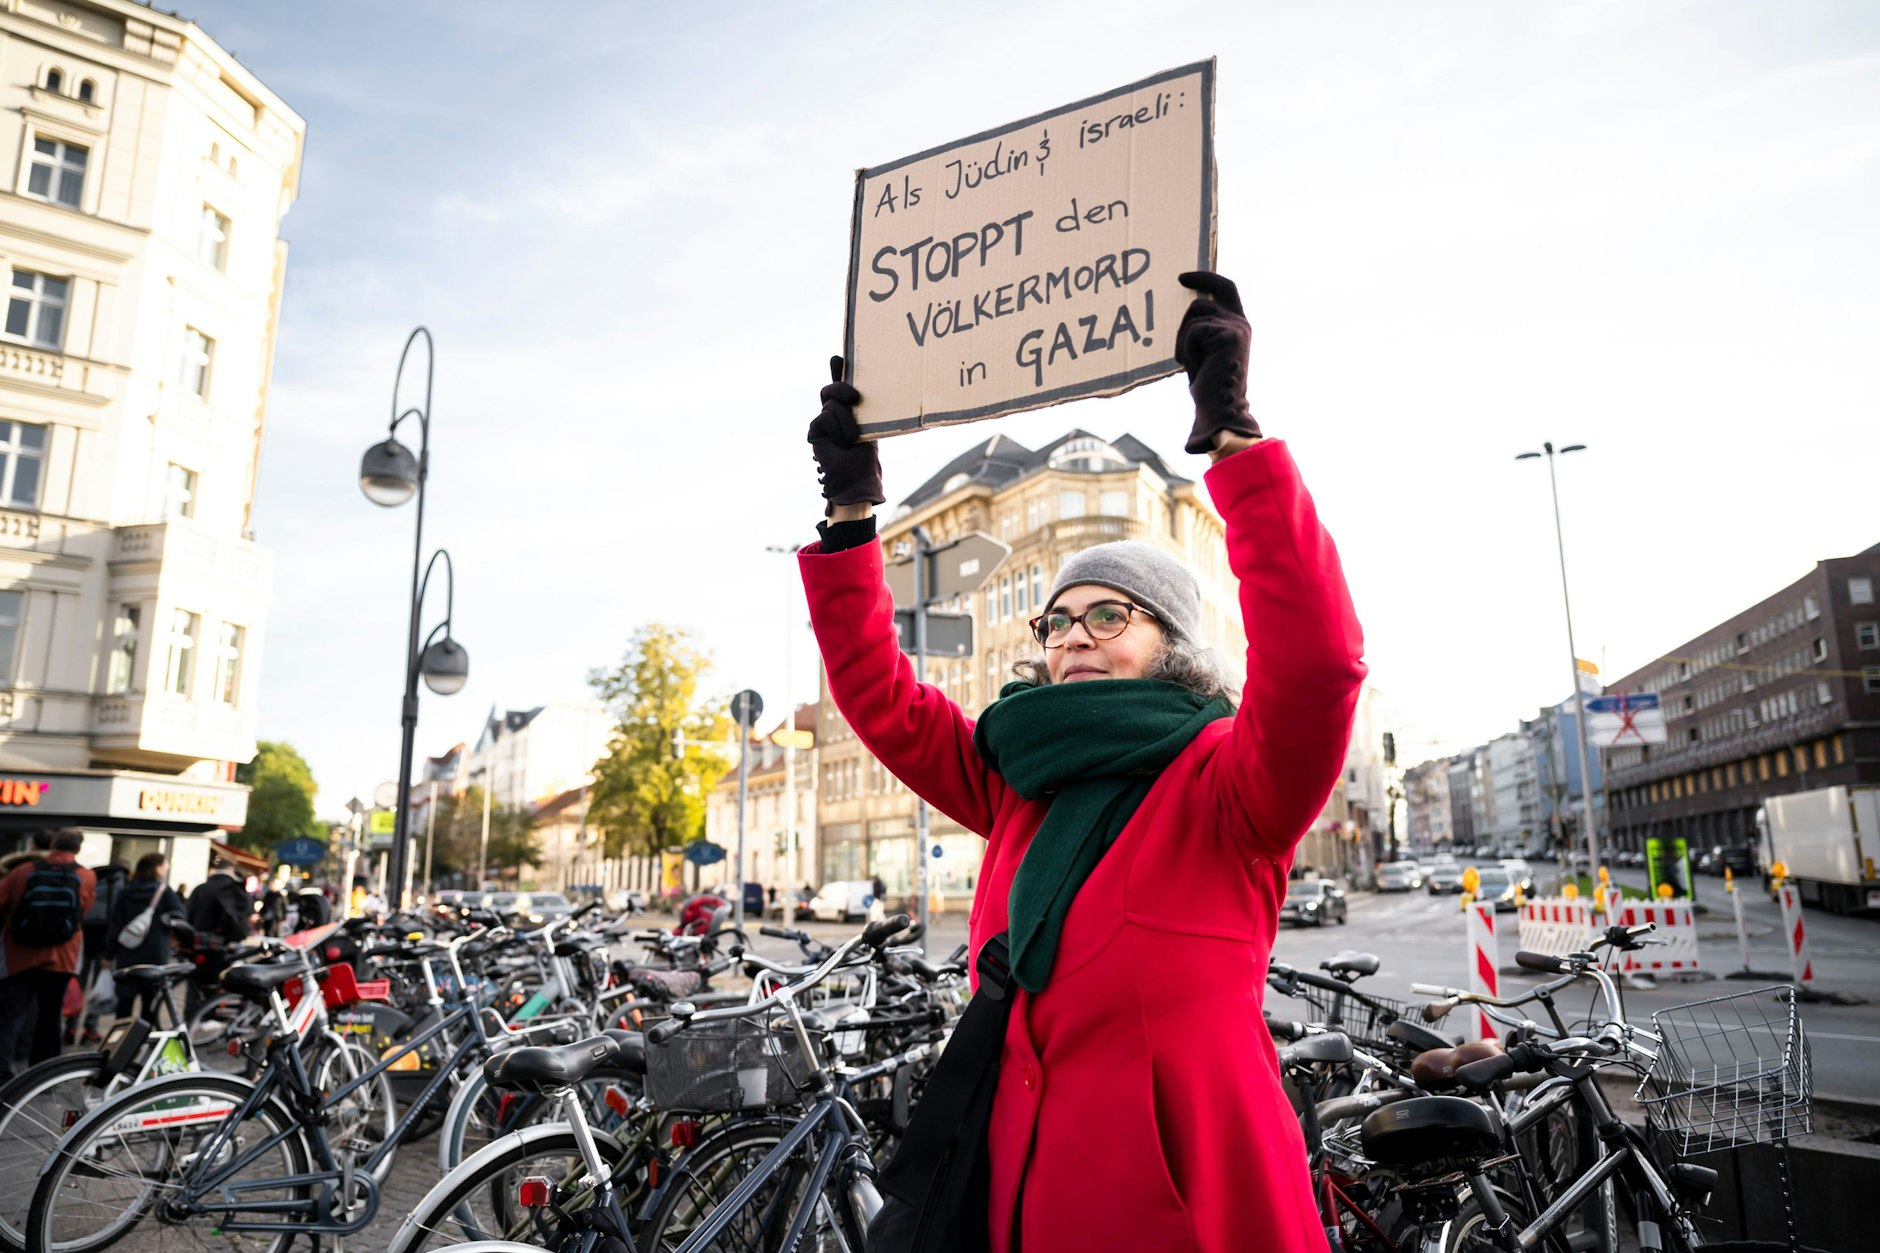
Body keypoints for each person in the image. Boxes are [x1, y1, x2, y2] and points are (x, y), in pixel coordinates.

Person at [801, 272, 1364, 1253]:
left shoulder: (1230, 782)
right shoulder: (1021, 775)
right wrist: (853, 514)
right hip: (1016, 1193)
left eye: (1108, 614)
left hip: (1189, 1208)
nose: (1073, 635)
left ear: (1171, 643)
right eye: (1057, 620)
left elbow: (1318, 662)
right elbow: (881, 700)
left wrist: (1232, 433)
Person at [0, 829, 97, 1078]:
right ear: (77, 849)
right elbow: (82, 913)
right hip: (62, 957)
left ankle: (3, 1069)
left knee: (11, 1014)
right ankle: (43, 1074)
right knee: (50, 1015)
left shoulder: (23, 872)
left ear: (53, 845)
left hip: (20, 954)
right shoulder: (85, 876)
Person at [104, 852, 186, 1024]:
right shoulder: (163, 891)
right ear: (157, 868)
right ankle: (146, 1041)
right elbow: (179, 915)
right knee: (150, 1001)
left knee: (125, 1000)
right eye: (165, 864)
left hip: (127, 951)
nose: (166, 867)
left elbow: (115, 924)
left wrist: (108, 954)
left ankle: (122, 1039)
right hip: (155, 952)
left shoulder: (126, 890)